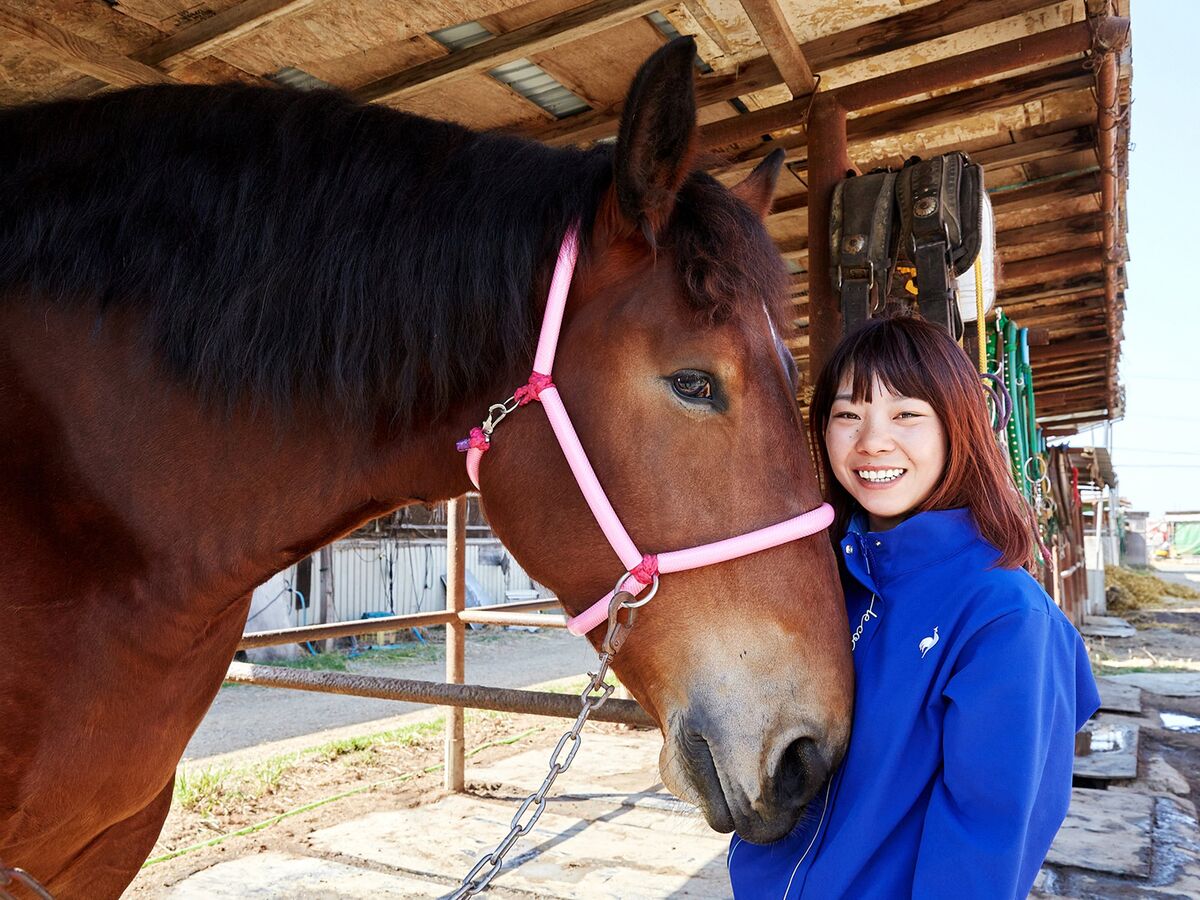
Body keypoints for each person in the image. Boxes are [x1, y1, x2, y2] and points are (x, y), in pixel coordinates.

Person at [727, 314, 1100, 899]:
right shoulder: (826, 585)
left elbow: (988, 837)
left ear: (958, 428)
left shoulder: (1003, 617)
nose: (872, 440)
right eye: (848, 415)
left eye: (906, 414)